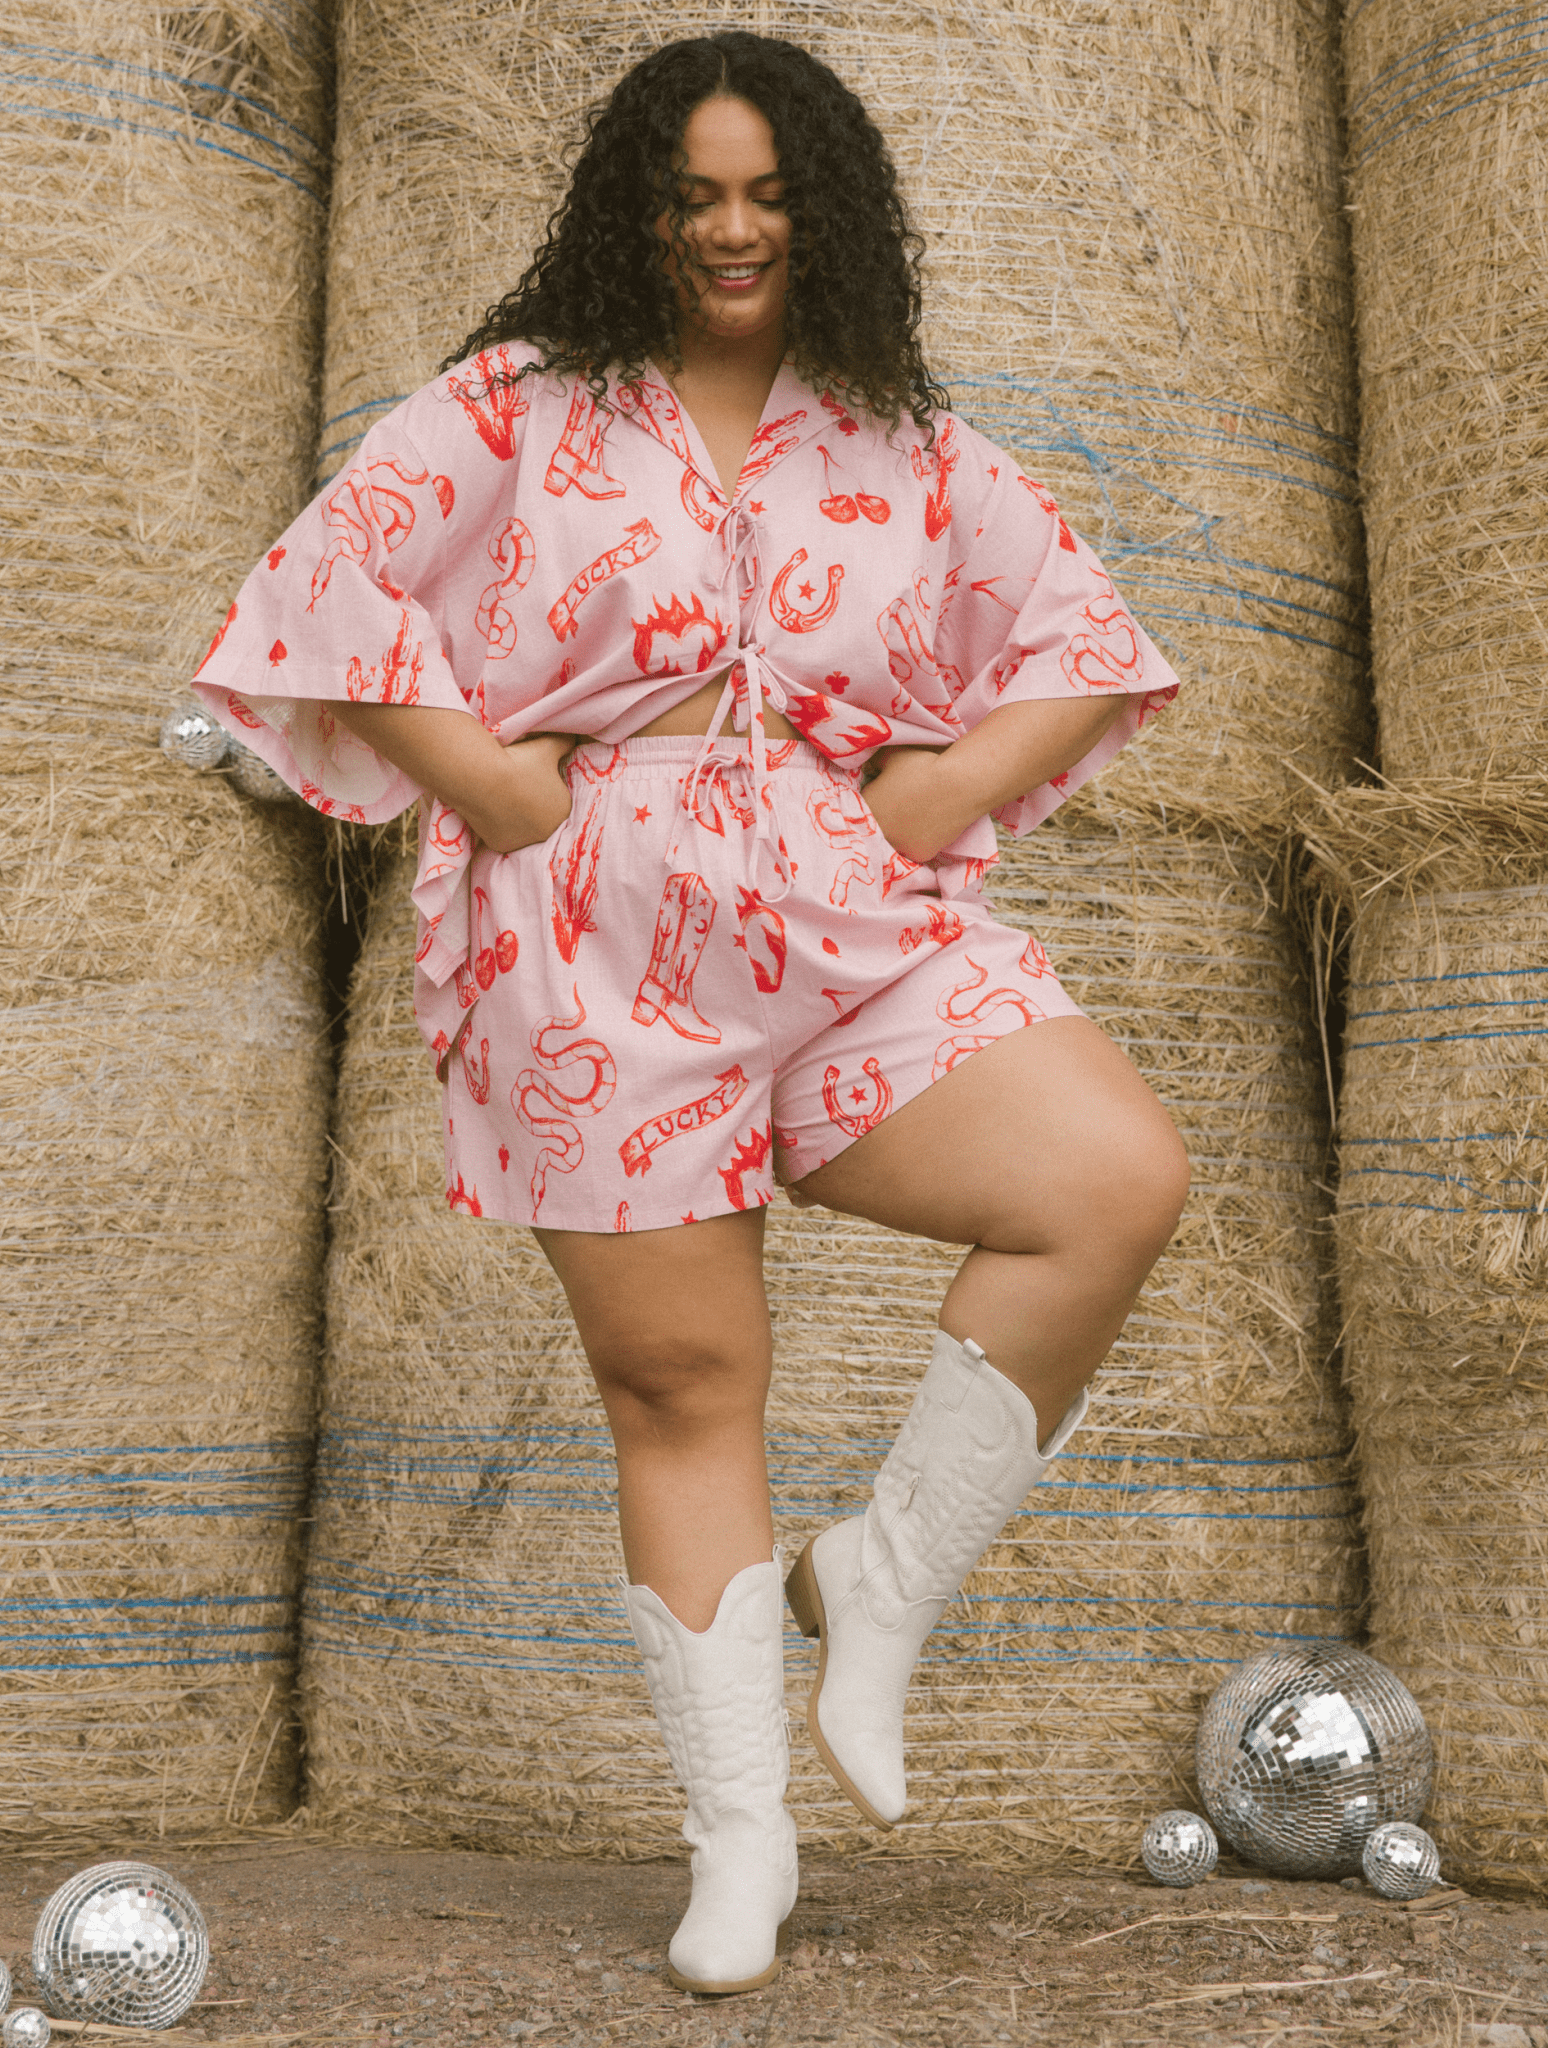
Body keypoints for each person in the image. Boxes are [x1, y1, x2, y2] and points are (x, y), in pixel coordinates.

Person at [194, 29, 1190, 1999]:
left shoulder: (899, 434)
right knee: (680, 1380)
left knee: (1109, 1179)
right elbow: (319, 591)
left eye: (769, 195)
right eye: (695, 196)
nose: (734, 230)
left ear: (827, 212)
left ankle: (878, 1577)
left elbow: (1084, 639)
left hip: (840, 906)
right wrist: (493, 788)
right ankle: (741, 1835)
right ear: (635, 211)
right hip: (588, 938)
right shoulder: (519, 402)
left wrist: (931, 796)